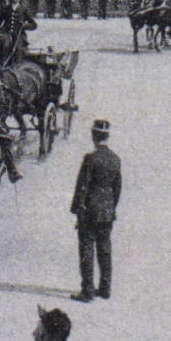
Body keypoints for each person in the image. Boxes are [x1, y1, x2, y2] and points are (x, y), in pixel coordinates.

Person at [70, 119, 121, 301]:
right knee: (105, 249)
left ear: (93, 135)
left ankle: (87, 291)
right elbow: (117, 188)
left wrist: (77, 209)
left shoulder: (90, 159)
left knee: (86, 250)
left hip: (89, 211)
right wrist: (110, 208)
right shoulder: (115, 159)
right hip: (107, 213)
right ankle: (105, 289)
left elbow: (82, 186)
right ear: (107, 136)